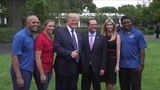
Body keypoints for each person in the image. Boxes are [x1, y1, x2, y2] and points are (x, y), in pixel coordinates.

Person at [54, 13, 83, 90]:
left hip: (75, 68)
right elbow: (56, 47)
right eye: (72, 20)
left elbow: (81, 48)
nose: (74, 22)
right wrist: (70, 53)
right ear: (67, 21)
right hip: (63, 68)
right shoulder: (60, 32)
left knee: (73, 87)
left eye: (76, 20)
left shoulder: (79, 33)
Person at [10, 15, 40, 90]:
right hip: (21, 70)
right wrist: (19, 77)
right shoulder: (20, 36)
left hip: (28, 70)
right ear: (27, 23)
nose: (36, 24)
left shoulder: (30, 35)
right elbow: (14, 57)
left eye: (37, 22)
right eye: (33, 22)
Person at [118, 15, 147, 90]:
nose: (126, 24)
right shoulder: (119, 34)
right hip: (122, 66)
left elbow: (142, 49)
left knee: (136, 87)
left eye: (128, 22)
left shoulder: (138, 33)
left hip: (135, 66)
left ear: (131, 23)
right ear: (121, 24)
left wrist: (142, 64)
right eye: (124, 23)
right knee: (124, 87)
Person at [81, 19, 107, 90]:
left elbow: (104, 54)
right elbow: (81, 52)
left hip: (97, 68)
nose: (94, 26)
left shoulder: (102, 38)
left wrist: (103, 68)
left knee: (97, 87)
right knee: (85, 87)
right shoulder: (82, 37)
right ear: (88, 26)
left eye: (95, 25)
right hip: (86, 68)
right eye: (92, 25)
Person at [34, 19, 55, 90]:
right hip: (42, 69)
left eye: (53, 26)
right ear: (44, 26)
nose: (52, 28)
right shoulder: (40, 38)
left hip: (49, 68)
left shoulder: (50, 37)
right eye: (49, 26)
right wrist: (42, 74)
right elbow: (37, 58)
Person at [101, 18, 121, 90]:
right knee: (106, 82)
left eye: (111, 24)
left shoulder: (117, 36)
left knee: (110, 84)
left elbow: (118, 51)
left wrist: (117, 65)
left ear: (113, 26)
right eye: (107, 25)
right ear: (105, 26)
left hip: (113, 62)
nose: (109, 26)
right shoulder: (102, 36)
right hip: (104, 61)